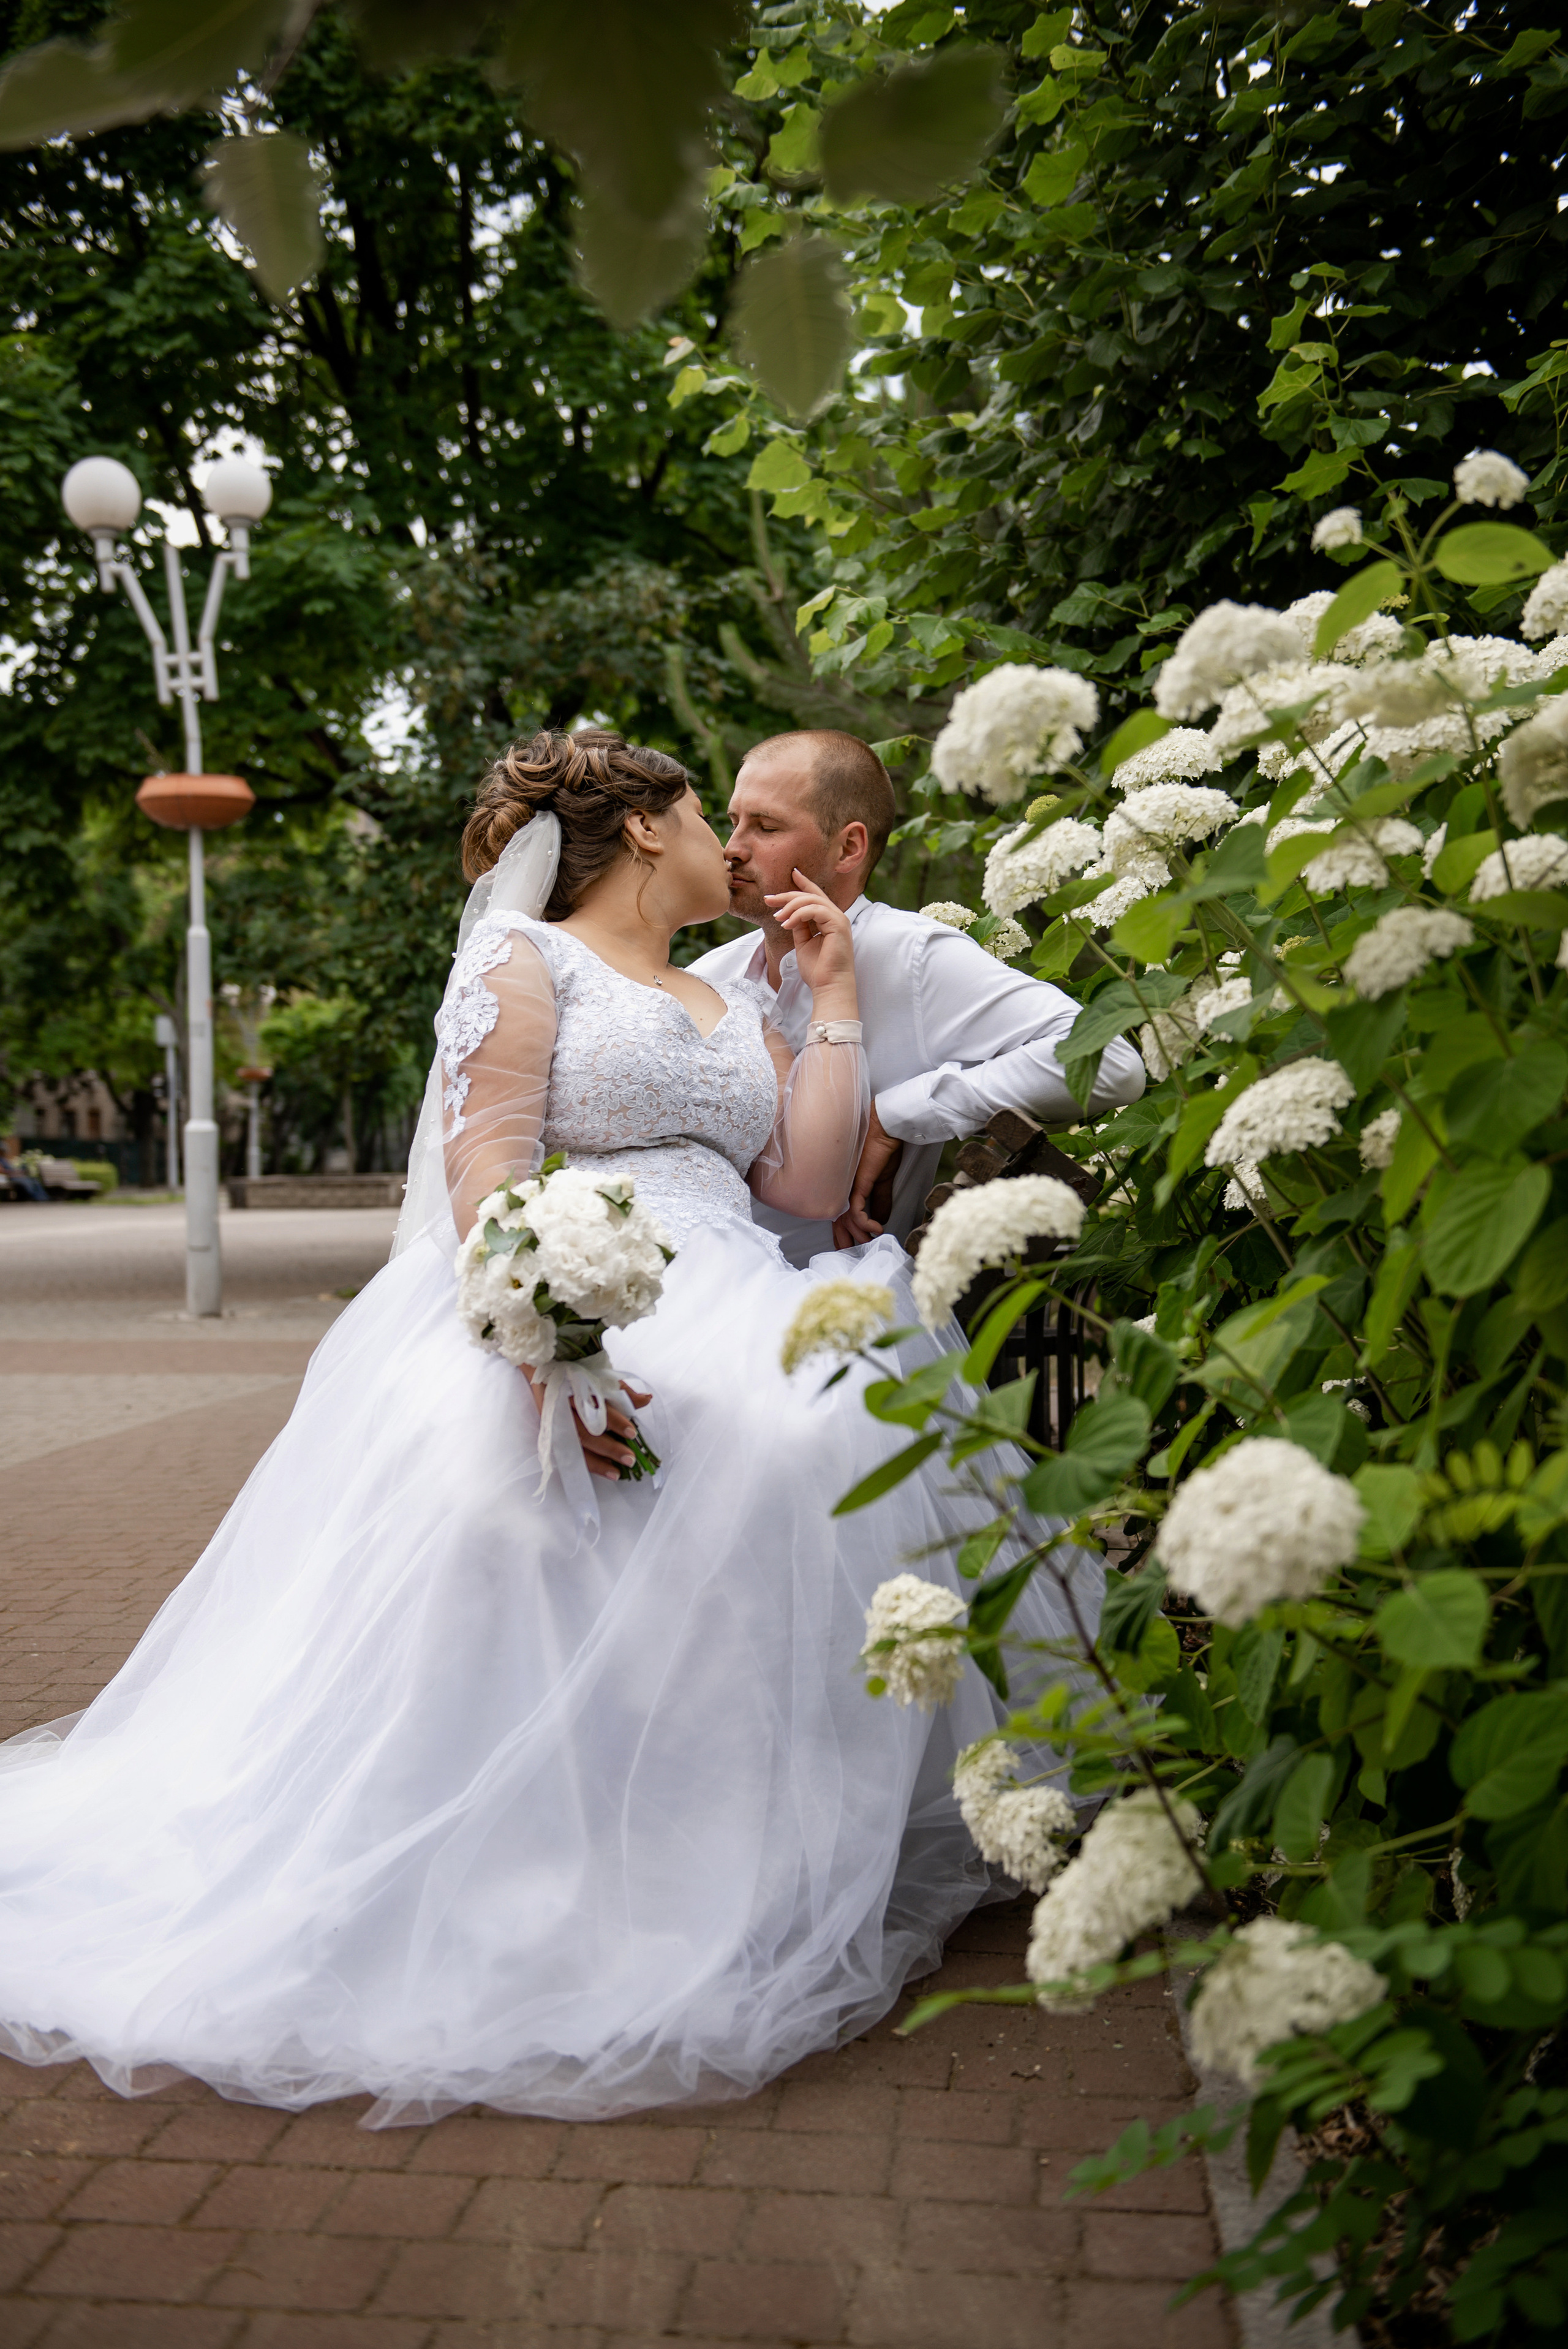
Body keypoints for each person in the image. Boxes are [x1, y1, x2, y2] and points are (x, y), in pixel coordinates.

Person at [0, 730, 1098, 2130]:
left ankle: (735, 1849)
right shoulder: (523, 959)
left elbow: (808, 1178)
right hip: (562, 1293)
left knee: (805, 1433)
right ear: (644, 828)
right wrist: (549, 1355)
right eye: (711, 812)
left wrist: (830, 999)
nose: (728, 840)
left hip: (731, 1278)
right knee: (635, 1469)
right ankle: (541, 1863)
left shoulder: (733, 996)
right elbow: (487, 1170)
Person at [689, 730, 1146, 1265]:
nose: (733, 849)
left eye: (765, 827)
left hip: (835, 1310)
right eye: (733, 822)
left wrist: (898, 1113)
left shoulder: (911, 957)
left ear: (849, 847)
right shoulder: (707, 976)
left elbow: (1112, 1063)